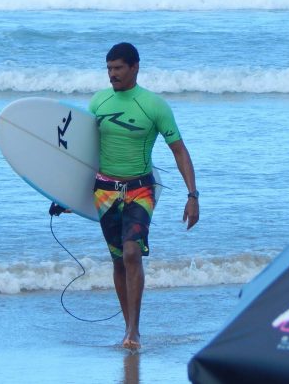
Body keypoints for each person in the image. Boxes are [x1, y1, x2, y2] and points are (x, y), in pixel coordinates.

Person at [88, 42, 199, 349]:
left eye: (118, 68)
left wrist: (192, 195)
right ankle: (128, 327)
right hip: (104, 192)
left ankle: (134, 330)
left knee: (132, 252)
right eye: (109, 69)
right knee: (118, 261)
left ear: (135, 67)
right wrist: (66, 195)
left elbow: (179, 150)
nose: (112, 74)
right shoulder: (98, 102)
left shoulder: (153, 105)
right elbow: (83, 152)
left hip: (140, 189)